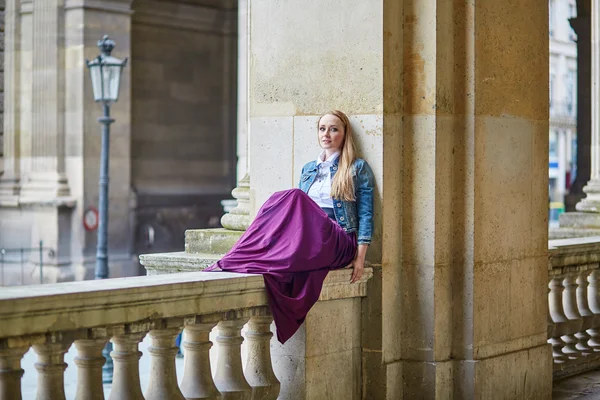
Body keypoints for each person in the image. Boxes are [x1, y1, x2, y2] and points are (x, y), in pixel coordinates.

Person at [205, 110, 374, 344]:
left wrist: (360, 257)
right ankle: (237, 256)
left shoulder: (357, 168)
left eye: (334, 129)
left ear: (344, 135)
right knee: (279, 200)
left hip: (340, 239)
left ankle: (244, 255)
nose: (326, 134)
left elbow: (366, 214)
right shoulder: (309, 169)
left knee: (293, 196)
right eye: (322, 128)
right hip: (314, 237)